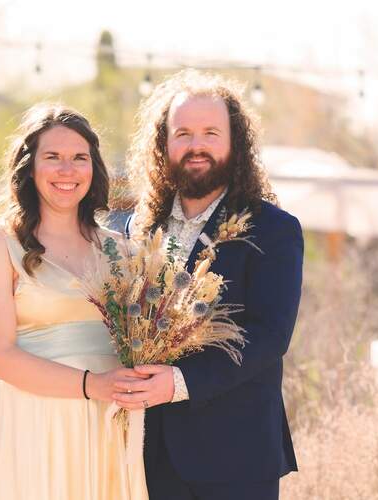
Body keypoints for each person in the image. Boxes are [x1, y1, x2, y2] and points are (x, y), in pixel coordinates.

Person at [113, 70, 304, 500]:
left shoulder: (274, 230)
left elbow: (270, 337)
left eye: (210, 132)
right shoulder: (133, 230)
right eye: (182, 133)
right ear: (163, 143)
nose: (195, 145)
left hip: (234, 457)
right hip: (142, 455)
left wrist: (179, 382)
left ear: (235, 142)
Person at [0, 104, 148, 500]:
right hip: (36, 421)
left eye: (79, 158)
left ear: (93, 168)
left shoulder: (122, 250)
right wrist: (91, 386)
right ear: (29, 169)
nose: (67, 170)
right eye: (53, 158)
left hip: (110, 421)